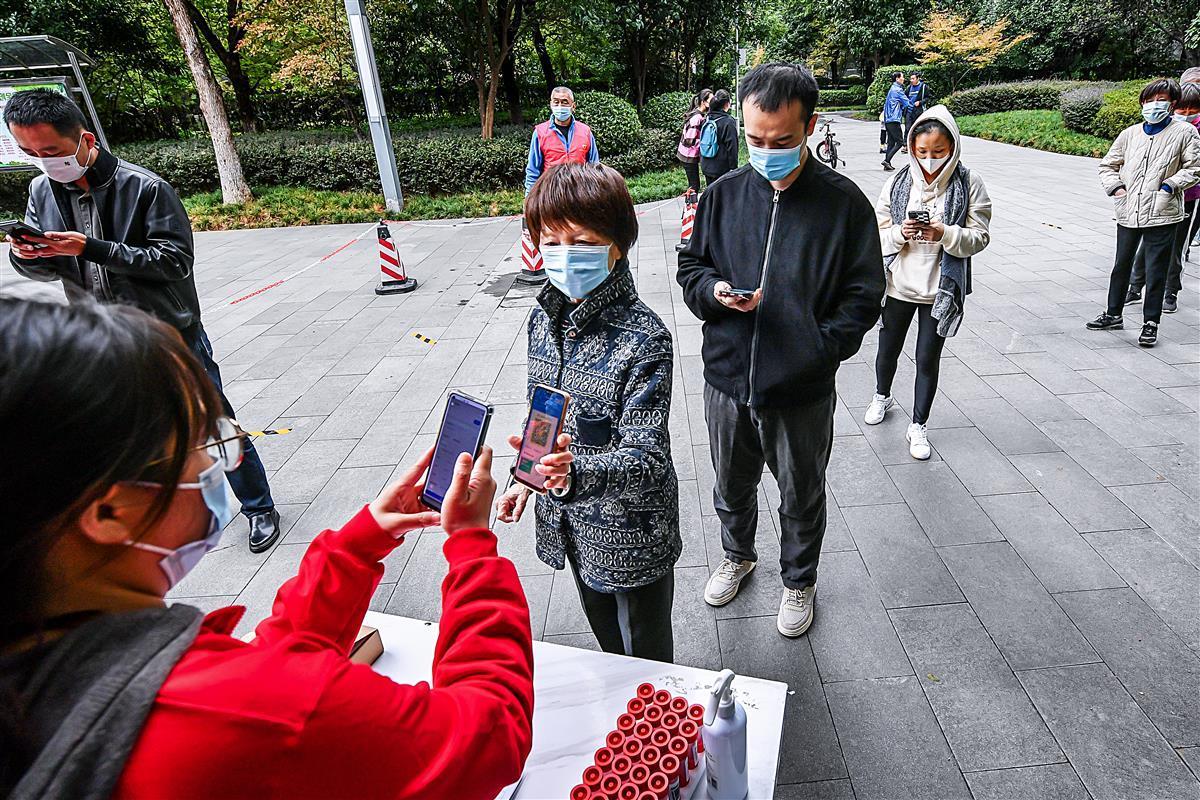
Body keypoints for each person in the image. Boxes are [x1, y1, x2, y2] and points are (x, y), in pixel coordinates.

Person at [0, 298, 534, 799]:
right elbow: (488, 734)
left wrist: (359, 543)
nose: (218, 465)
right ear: (111, 512)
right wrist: (471, 547)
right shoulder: (234, 713)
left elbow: (272, 667)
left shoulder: (43, 665)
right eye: (200, 446)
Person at [3, 89, 283, 553]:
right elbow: (43, 268)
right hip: (99, 339)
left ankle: (258, 507)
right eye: (31, 154)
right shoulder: (40, 191)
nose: (44, 163)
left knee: (214, 425)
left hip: (169, 334)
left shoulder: (146, 188)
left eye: (51, 152)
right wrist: (27, 254)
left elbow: (174, 262)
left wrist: (90, 247)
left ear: (84, 140)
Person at [677, 63, 884, 638]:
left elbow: (865, 293)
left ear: (811, 126)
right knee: (730, 484)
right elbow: (691, 266)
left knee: (800, 492)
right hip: (727, 378)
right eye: (755, 140)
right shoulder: (722, 195)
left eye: (782, 141)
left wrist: (821, 348)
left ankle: (799, 581)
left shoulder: (844, 205)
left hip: (800, 387)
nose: (766, 151)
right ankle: (737, 555)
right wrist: (714, 294)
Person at [495, 162, 680, 662]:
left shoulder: (645, 337)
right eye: (550, 242)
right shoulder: (542, 318)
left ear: (615, 245)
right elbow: (543, 413)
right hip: (569, 525)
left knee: (645, 658)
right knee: (605, 642)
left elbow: (647, 458)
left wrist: (573, 471)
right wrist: (526, 480)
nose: (562, 255)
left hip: (631, 534)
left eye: (579, 240)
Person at [867, 106, 993, 459]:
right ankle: (882, 395)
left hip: (940, 290)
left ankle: (918, 425)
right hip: (897, 285)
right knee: (887, 349)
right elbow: (874, 234)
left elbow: (979, 237)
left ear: (952, 148)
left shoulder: (969, 183)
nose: (930, 160)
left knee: (927, 358)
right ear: (911, 147)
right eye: (922, 152)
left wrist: (945, 233)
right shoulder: (898, 181)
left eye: (938, 152)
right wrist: (898, 234)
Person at [1089, 78, 1200, 347]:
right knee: (1121, 265)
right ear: (1142, 103)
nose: (1154, 105)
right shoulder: (1130, 134)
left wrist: (1168, 186)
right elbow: (1108, 165)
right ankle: (1113, 313)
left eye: (1161, 100)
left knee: (1156, 268)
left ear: (1173, 103)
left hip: (1163, 211)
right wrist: (1116, 189)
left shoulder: (1185, 134)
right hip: (1129, 211)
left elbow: (1194, 168)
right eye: (1149, 100)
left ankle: (1151, 323)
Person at [1127, 80, 1200, 313]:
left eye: (1193, 111)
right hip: (1153, 197)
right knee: (1146, 242)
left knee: (1176, 247)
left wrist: (1172, 185)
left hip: (1186, 197)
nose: (1187, 115)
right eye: (1182, 110)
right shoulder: (1158, 126)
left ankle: (1171, 290)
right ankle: (1136, 286)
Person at [524, 86, 600, 194]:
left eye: (565, 102)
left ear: (573, 106)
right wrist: (529, 198)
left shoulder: (585, 131)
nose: (560, 106)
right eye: (556, 102)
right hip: (551, 194)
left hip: (580, 193)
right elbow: (533, 170)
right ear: (551, 105)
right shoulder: (540, 133)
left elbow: (594, 166)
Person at [677, 88, 713, 195]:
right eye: (711, 100)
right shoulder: (697, 118)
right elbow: (689, 141)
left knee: (693, 185)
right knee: (694, 187)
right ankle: (690, 210)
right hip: (688, 157)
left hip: (685, 154)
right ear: (704, 102)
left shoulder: (697, 114)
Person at [700, 89, 739, 185]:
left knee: (712, 195)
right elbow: (732, 147)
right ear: (727, 104)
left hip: (706, 166)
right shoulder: (728, 122)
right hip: (722, 170)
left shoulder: (707, 118)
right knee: (723, 198)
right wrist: (734, 169)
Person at [882, 71, 915, 171]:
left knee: (891, 143)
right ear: (897, 79)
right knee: (900, 142)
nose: (904, 79)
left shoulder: (892, 89)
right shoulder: (898, 90)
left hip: (888, 119)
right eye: (902, 77)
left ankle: (887, 164)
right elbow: (907, 103)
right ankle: (886, 161)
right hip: (894, 119)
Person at [905, 72, 929, 141]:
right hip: (909, 111)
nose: (911, 80)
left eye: (913, 78)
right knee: (907, 128)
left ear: (918, 78)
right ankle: (906, 145)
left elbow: (927, 98)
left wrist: (920, 102)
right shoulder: (909, 88)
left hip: (918, 111)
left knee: (919, 128)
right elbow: (905, 97)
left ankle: (917, 143)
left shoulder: (924, 87)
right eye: (911, 79)